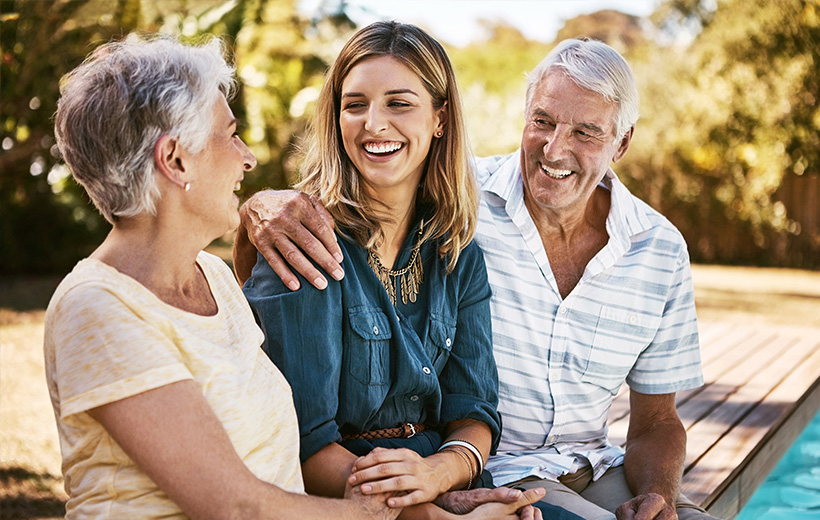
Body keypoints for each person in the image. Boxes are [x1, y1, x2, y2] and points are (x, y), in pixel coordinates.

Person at [234, 37, 724, 520]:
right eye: (543, 122)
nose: (555, 149)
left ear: (622, 142)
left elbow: (654, 420)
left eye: (585, 132)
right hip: (492, 472)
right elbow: (302, 437)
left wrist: (658, 498)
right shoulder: (447, 204)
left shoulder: (459, 235)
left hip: (565, 465)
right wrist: (256, 207)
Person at [45, 33, 399, 520]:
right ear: (175, 160)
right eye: (230, 135)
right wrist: (370, 513)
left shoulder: (212, 275)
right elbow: (235, 506)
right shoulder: (96, 308)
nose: (247, 156)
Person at [240, 21, 575, 520]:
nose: (374, 124)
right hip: (349, 500)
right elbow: (304, 446)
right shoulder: (305, 240)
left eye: (398, 103)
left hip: (446, 482)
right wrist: (428, 511)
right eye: (355, 105)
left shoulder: (457, 254)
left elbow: (474, 410)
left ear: (440, 118)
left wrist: (442, 476)